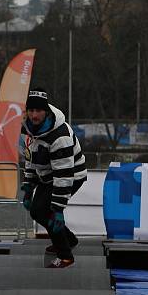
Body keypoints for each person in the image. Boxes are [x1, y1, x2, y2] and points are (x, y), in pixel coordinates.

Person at [20, 88, 87, 268]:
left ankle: (66, 256)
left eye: (38, 111)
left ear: (46, 111)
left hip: (71, 175)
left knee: (48, 212)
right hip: (48, 176)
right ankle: (69, 240)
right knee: (36, 211)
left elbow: (64, 176)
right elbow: (31, 160)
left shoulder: (60, 137)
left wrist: (58, 209)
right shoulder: (28, 129)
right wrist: (28, 187)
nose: (34, 115)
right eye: (31, 110)